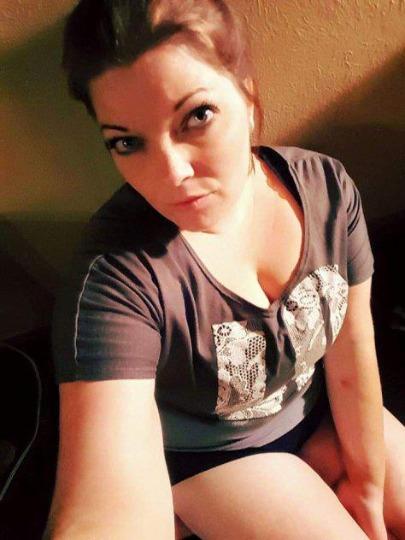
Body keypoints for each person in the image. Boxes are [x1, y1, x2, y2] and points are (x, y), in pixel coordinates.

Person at [44, 1, 405, 539]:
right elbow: (103, 507)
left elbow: (353, 347)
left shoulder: (326, 189)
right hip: (217, 460)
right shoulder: (117, 278)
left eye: (196, 116)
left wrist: (369, 486)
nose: (171, 173)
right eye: (127, 142)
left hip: (320, 411)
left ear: (248, 97)